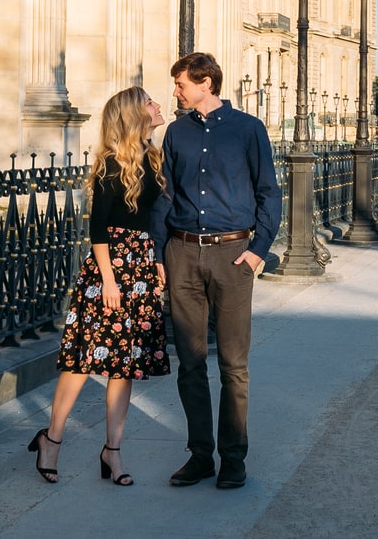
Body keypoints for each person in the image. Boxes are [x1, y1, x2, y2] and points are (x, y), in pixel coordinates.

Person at [151, 53, 282, 490]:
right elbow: (165, 197)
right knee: (189, 363)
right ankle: (200, 456)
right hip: (183, 255)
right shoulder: (176, 133)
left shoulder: (248, 129)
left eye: (181, 84)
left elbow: (269, 192)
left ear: (205, 83)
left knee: (232, 365)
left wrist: (258, 251)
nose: (175, 92)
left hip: (233, 256)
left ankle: (233, 458)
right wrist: (158, 256)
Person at [28, 86, 171, 486]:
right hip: (110, 270)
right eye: (149, 102)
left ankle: (113, 452)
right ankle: (51, 440)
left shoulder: (153, 158)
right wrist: (109, 280)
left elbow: (153, 219)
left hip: (140, 265)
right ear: (132, 114)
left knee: (123, 365)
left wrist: (155, 259)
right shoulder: (112, 164)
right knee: (82, 359)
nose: (158, 106)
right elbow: (99, 229)